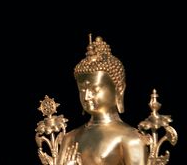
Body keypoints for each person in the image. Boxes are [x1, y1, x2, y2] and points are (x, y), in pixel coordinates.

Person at [57, 36, 147, 165]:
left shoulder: (130, 138)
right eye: (82, 90)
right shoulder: (70, 138)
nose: (87, 96)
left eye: (95, 89)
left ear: (119, 90)